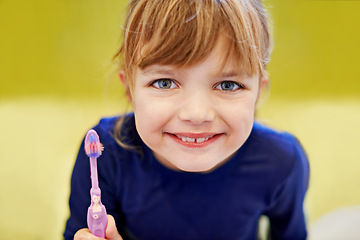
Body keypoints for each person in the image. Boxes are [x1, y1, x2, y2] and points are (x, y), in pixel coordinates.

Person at [64, 0, 310, 239]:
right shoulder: (106, 156)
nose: (197, 114)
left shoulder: (281, 162)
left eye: (228, 85)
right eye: (165, 83)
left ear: (257, 93)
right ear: (130, 90)